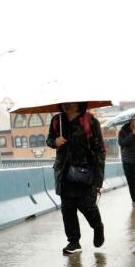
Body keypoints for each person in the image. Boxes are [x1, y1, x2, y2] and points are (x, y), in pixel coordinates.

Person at [46, 103, 106, 254]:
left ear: (79, 103)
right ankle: (74, 242)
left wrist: (99, 179)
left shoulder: (90, 120)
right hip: (64, 172)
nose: (67, 105)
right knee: (68, 209)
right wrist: (54, 142)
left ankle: (97, 226)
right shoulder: (56, 121)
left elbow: (100, 150)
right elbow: (49, 139)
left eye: (71, 102)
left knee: (87, 206)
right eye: (65, 102)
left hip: (85, 171)